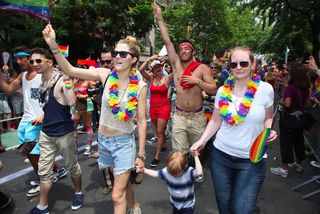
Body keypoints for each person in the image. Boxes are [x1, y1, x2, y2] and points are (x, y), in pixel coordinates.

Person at [43, 24, 147, 214]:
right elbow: (70, 69)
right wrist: (53, 45)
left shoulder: (140, 86)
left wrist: (141, 155)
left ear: (134, 59)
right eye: (116, 53)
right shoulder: (104, 75)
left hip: (124, 142)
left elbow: (141, 121)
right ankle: (135, 205)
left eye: (123, 54)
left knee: (116, 196)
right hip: (104, 141)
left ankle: (130, 205)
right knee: (120, 182)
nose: (117, 57)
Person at [190, 47, 277, 213]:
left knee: (242, 209)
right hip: (221, 157)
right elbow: (215, 120)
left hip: (252, 160)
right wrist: (202, 141)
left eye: (243, 63)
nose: (238, 67)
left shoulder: (266, 89)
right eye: (233, 64)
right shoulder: (223, 91)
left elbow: (269, 117)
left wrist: (267, 131)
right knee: (225, 208)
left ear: (252, 65)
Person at [154, 5, 217, 168]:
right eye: (180, 48)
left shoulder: (202, 68)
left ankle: (197, 168)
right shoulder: (175, 65)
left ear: (192, 51)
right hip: (180, 116)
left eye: (186, 48)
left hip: (197, 117)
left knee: (198, 150)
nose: (183, 51)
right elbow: (167, 41)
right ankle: (182, 176)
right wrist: (160, 18)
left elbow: (213, 89)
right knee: (179, 153)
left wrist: (198, 82)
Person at [0, 46, 66, 198]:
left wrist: (44, 115)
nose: (19, 61)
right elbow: (9, 89)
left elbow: (57, 95)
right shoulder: (23, 76)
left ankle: (44, 178)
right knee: (28, 150)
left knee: (31, 150)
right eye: (16, 58)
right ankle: (58, 170)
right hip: (26, 118)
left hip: (40, 119)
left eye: (23, 57)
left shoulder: (44, 74)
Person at [27, 48, 82, 213]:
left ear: (49, 62)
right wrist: (43, 117)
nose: (34, 64)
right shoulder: (42, 81)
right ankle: (42, 206)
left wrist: (67, 81)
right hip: (46, 133)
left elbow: (71, 101)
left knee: (72, 166)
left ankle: (78, 192)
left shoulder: (59, 80)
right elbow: (50, 104)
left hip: (64, 134)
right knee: (44, 171)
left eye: (38, 61)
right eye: (32, 61)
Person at [270, 64, 310, 177]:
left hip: (289, 119)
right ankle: (298, 163)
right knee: (298, 141)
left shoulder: (290, 88)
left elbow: (287, 104)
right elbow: (307, 103)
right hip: (300, 118)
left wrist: (281, 101)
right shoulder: (305, 88)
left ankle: (284, 168)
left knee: (286, 142)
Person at [138, 150, 202, 214]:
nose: (175, 175)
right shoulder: (167, 171)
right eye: (173, 173)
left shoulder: (188, 171)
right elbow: (155, 173)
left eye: (177, 173)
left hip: (188, 205)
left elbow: (199, 173)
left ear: (184, 167)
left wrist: (196, 156)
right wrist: (144, 170)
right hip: (175, 204)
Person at [139, 56, 173, 167]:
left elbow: (176, 69)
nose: (158, 68)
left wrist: (167, 59)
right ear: (153, 70)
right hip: (153, 108)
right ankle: (163, 144)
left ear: (162, 67)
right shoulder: (151, 78)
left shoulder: (167, 79)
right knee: (158, 132)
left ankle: (157, 156)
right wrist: (150, 59)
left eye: (160, 66)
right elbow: (140, 70)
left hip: (164, 108)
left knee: (159, 131)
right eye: (155, 67)